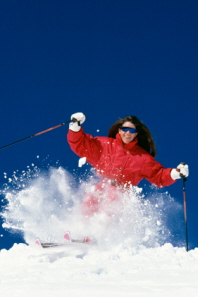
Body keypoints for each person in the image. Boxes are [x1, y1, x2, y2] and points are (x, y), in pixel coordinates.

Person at [67, 112, 189, 216]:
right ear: (119, 130)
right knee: (92, 194)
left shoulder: (142, 158)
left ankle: (100, 234)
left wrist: (175, 173)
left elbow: (158, 175)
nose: (128, 133)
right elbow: (81, 144)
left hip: (121, 194)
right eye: (125, 129)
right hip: (104, 185)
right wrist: (75, 127)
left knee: (112, 194)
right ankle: (81, 231)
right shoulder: (104, 145)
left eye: (132, 130)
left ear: (136, 134)